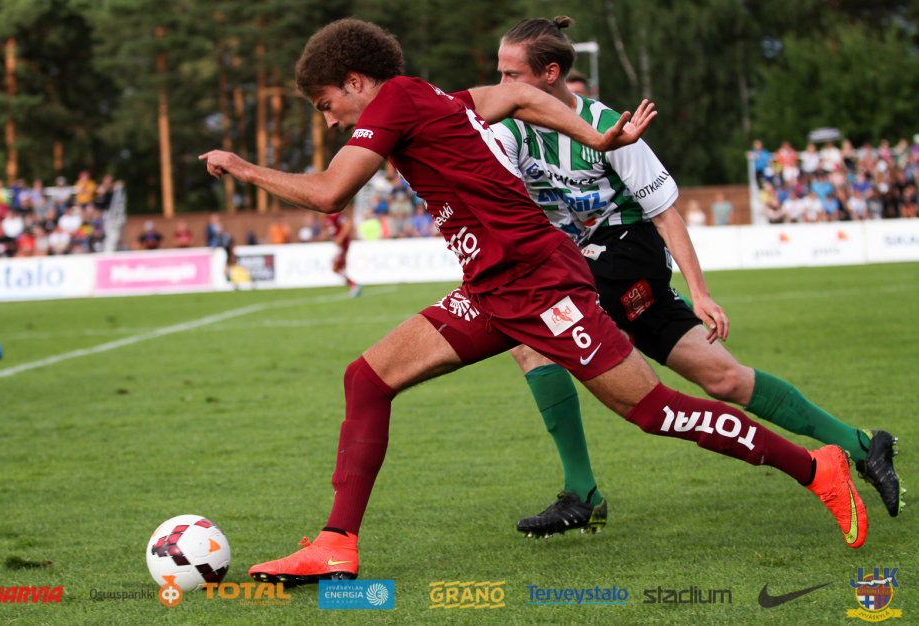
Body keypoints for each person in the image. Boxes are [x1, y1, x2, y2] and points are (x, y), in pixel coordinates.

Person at [200, 18, 869, 587]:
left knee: (653, 411)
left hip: (540, 283)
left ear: (355, 82)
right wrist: (594, 137)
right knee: (367, 378)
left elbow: (328, 193)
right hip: (492, 289)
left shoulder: (397, 98)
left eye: (326, 103)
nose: (328, 119)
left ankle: (817, 467)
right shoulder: (432, 97)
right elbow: (516, 97)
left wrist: (242, 166)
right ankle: (336, 544)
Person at [489, 16, 901, 538]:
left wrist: (701, 293)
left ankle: (583, 494)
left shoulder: (611, 127)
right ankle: (864, 445)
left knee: (533, 336)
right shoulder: (508, 130)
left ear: (550, 74)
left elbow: (665, 215)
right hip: (588, 264)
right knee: (725, 378)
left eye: (510, 75)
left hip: (629, 252)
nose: (500, 85)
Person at [325, 211, 361, 296]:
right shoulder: (327, 218)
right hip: (341, 245)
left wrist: (340, 238)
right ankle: (352, 285)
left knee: (335, 267)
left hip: (343, 245)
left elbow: (347, 224)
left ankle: (353, 285)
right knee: (340, 267)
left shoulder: (335, 215)